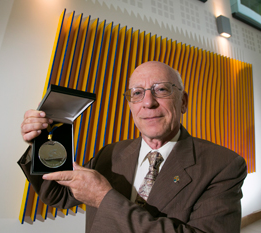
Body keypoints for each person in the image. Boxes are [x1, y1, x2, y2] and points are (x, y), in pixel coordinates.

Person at [19, 61, 247, 233]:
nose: (148, 102)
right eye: (137, 93)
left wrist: (103, 198)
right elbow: (59, 196)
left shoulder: (223, 165)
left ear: (184, 102)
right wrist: (40, 141)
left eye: (162, 90)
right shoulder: (111, 153)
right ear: (130, 105)